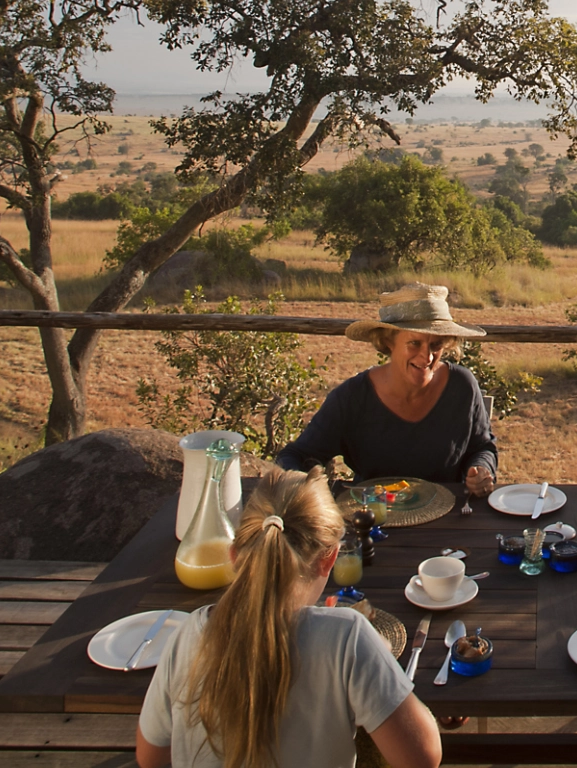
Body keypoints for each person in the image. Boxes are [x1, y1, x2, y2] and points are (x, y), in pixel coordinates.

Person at [136, 467, 441, 768]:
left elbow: (150, 758)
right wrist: (380, 662)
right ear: (330, 559)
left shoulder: (189, 634)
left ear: (234, 556)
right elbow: (422, 757)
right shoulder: (347, 638)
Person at [276, 283, 496, 496]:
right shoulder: (353, 398)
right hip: (373, 521)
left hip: (451, 522)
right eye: (414, 343)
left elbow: (482, 447)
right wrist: (303, 492)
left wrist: (481, 470)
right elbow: (296, 456)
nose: (427, 356)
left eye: (436, 344)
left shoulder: (462, 386)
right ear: (388, 341)